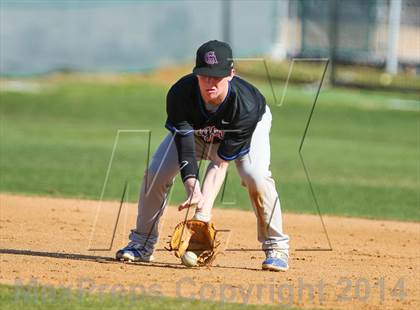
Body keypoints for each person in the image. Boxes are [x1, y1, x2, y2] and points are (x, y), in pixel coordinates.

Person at [116, 40, 290, 271]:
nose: (210, 82)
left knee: (255, 175)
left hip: (250, 125)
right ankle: (141, 245)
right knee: (156, 171)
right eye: (204, 75)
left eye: (217, 76)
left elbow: (219, 162)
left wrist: (201, 215)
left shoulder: (244, 106)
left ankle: (276, 247)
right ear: (195, 74)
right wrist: (191, 186)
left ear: (231, 74)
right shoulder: (180, 94)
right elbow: (185, 148)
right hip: (199, 134)